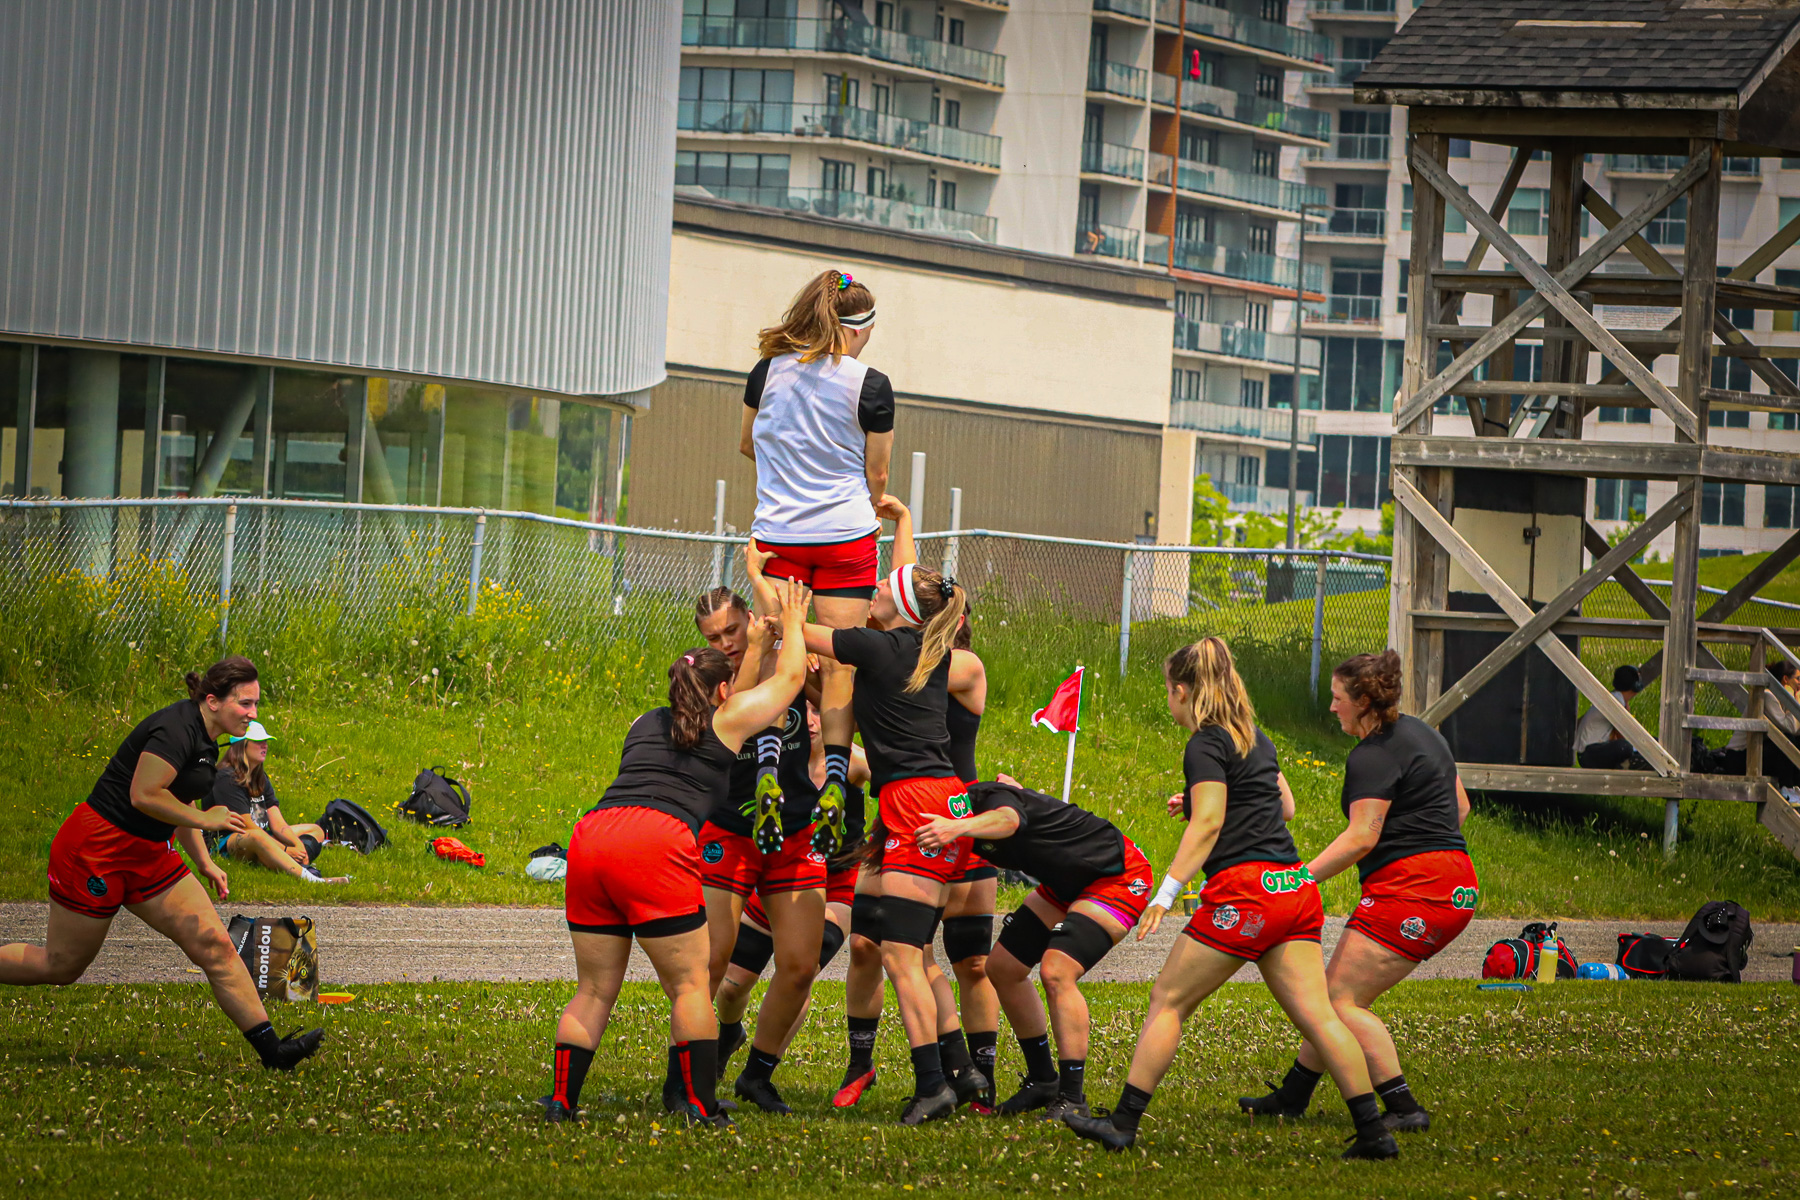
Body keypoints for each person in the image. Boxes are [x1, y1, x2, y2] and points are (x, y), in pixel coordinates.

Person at [1063, 638, 1397, 1161]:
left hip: (1245, 894)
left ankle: (1123, 1124)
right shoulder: (1255, 737)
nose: (1168, 700)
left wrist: (1165, 892)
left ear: (1181, 690)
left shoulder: (1204, 743)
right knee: (1319, 1017)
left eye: (1167, 691)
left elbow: (1211, 821)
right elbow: (1283, 806)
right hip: (1293, 888)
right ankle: (1375, 1133)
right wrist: (1203, 796)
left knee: (1168, 1001)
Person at [541, 578, 811, 1127]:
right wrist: (796, 620)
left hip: (592, 834)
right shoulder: (727, 720)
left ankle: (561, 1103)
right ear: (720, 693)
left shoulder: (643, 722)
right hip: (655, 839)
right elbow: (791, 678)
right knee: (691, 985)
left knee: (593, 989)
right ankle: (697, 1104)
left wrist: (752, 646)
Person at [754, 546, 990, 1125]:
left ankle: (932, 1083)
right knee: (900, 949)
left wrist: (772, 587)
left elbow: (801, 635)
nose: (876, 585)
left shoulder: (878, 646)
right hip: (933, 803)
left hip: (915, 804)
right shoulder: (918, 653)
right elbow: (841, 703)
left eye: (886, 584)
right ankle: (960, 1071)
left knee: (904, 956)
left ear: (900, 606)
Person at [0, 657, 323, 1070]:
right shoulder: (176, 729)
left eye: (256, 703)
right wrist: (207, 820)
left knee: (216, 945)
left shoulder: (209, 740)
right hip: (97, 848)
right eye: (245, 703)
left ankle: (274, 1052)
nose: (254, 714)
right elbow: (145, 794)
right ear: (212, 700)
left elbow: (180, 800)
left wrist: (204, 860)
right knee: (62, 966)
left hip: (149, 852)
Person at [1239, 649, 1476, 1136]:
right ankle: (1294, 1095)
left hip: (1416, 890)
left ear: (1364, 701)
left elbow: (1361, 836)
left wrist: (1299, 877)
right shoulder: (1423, 733)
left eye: (1338, 698)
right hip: (1456, 882)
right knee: (1334, 992)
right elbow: (1461, 807)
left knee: (1342, 1002)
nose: (1332, 708)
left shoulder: (1371, 756)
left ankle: (1403, 1107)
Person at [740, 268, 895, 856]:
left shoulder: (767, 371)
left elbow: (749, 444)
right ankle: (834, 779)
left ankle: (768, 773)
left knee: (781, 653)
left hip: (779, 536)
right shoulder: (870, 385)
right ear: (864, 328)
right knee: (838, 665)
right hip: (845, 538)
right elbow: (875, 476)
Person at [917, 777, 1152, 1122]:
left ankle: (1073, 1098)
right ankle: (1043, 1080)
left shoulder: (985, 798)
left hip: (1116, 876)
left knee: (1057, 971)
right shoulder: (948, 820)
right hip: (1065, 884)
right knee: (1002, 968)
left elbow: (1009, 820)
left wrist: (955, 827)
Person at [693, 581, 828, 1115]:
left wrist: (809, 658)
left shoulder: (793, 657)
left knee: (799, 966)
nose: (723, 640)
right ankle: (690, 1075)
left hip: (793, 830)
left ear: (750, 617)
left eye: (731, 628)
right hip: (730, 828)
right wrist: (753, 650)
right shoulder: (705, 676)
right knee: (711, 961)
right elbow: (737, 707)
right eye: (713, 635)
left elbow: (837, 704)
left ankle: (758, 1073)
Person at [711, 701, 871, 1110]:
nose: (813, 721)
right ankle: (729, 1032)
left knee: (802, 969)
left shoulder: (852, 762)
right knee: (732, 987)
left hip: (836, 884)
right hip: (781, 877)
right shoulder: (778, 762)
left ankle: (759, 1072)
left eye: (820, 711)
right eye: (807, 712)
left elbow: (894, 784)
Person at [205, 722, 347, 884]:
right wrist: (285, 849)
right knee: (257, 836)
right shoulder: (226, 778)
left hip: (261, 835)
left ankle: (292, 861)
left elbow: (278, 824)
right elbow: (245, 825)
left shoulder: (260, 777)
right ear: (241, 746)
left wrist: (297, 845)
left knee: (315, 830)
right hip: (227, 842)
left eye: (265, 742)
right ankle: (311, 879)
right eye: (258, 742)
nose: (264, 746)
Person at [1715, 659, 1800, 794]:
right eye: (1798, 679)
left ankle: (1796, 787)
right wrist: (1794, 702)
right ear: (1785, 679)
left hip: (1756, 752)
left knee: (1796, 742)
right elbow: (1790, 727)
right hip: (1740, 758)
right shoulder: (1767, 696)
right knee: (1787, 740)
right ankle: (1787, 788)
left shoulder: (1781, 700)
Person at [1574, 665, 1647, 770]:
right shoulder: (1616, 701)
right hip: (1590, 752)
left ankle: (1625, 763)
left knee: (1630, 746)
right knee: (1625, 747)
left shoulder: (1616, 698)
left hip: (1591, 752)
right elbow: (1622, 734)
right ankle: (1628, 764)